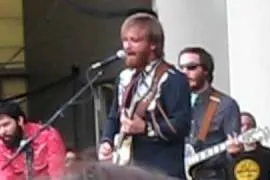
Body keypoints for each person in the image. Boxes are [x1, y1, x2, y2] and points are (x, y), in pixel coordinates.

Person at [98, 13, 191, 179]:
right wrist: (107, 141)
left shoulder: (173, 79)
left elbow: (181, 125)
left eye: (134, 41)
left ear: (153, 44)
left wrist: (145, 128)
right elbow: (115, 117)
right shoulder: (125, 78)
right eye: (125, 40)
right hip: (129, 170)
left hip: (162, 172)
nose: (127, 47)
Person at [177, 47, 242, 180]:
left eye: (191, 67)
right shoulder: (175, 101)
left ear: (206, 70)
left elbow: (233, 154)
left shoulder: (226, 105)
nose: (185, 73)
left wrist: (234, 152)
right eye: (181, 68)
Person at [0, 101, 66, 179]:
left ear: (19, 120)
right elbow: (5, 176)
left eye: (6, 125)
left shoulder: (48, 135)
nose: (2, 132)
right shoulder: (1, 144)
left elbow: (57, 174)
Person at [229, 112, 270, 180]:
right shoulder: (226, 157)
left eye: (249, 125)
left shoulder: (268, 154)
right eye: (241, 125)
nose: (246, 128)